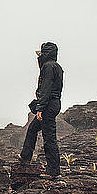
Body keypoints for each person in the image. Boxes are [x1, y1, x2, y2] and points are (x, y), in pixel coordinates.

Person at [19, 42, 64, 178]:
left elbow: (46, 88)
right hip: (53, 103)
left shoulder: (48, 67)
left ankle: (53, 171)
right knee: (33, 129)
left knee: (49, 137)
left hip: (48, 105)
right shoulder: (57, 67)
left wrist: (40, 108)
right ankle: (25, 157)